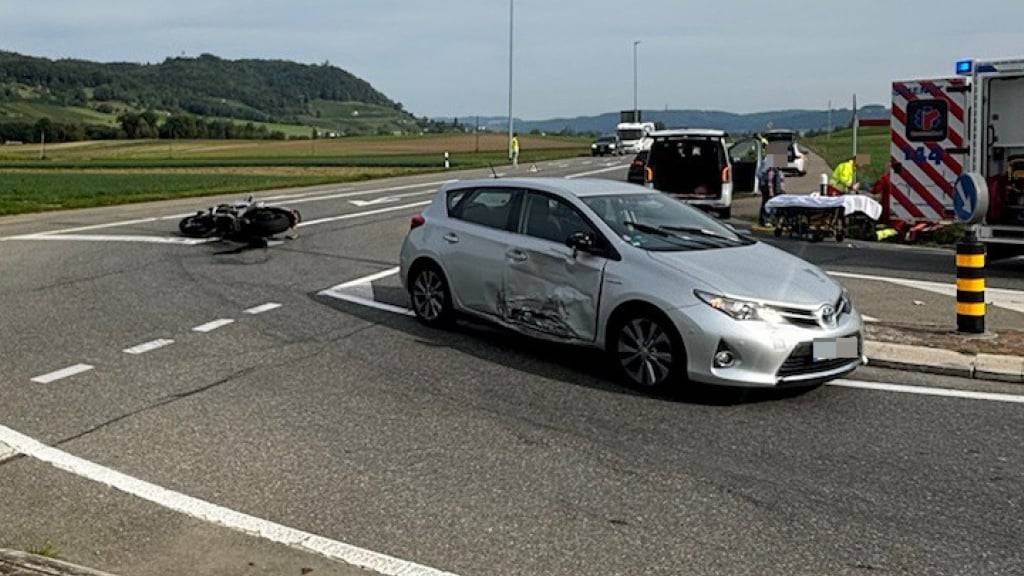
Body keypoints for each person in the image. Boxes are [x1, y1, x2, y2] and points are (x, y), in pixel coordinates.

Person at [757, 157, 785, 226]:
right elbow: (760, 174)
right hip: (768, 187)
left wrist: (782, 188)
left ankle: (772, 220)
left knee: (774, 203)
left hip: (775, 186)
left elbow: (781, 176)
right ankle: (764, 220)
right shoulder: (767, 162)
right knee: (766, 202)